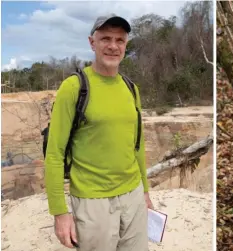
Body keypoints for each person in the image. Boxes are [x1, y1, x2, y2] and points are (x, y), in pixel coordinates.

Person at [45, 14, 153, 251]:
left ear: (126, 45)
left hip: (133, 196)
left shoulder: (130, 88)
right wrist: (60, 213)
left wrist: (144, 191)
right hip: (93, 202)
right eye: (105, 38)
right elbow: (54, 153)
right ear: (92, 42)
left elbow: (137, 145)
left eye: (119, 40)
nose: (113, 46)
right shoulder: (74, 88)